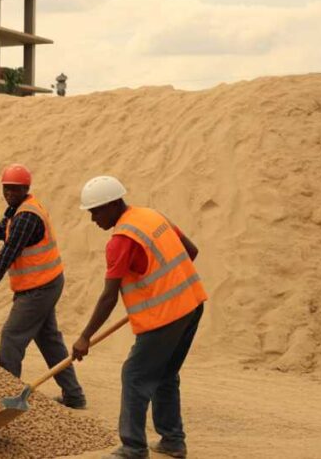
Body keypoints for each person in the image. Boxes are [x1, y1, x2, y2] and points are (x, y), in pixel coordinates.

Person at [72, 176, 207, 459]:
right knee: (165, 374)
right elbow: (191, 251)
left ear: (112, 204)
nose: (93, 219)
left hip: (166, 316)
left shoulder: (121, 240)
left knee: (134, 375)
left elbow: (109, 296)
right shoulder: (151, 215)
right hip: (192, 304)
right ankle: (172, 440)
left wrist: (85, 337)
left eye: (95, 211)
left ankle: (133, 447)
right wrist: (166, 284)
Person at [0, 163, 86, 409]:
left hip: (39, 288)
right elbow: (2, 230)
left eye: (15, 189)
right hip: (46, 282)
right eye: (6, 189)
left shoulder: (26, 216)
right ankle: (74, 396)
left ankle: (9, 398)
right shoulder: (17, 210)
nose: (9, 193)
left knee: (12, 336)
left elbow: (6, 256)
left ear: (26, 188)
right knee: (49, 340)